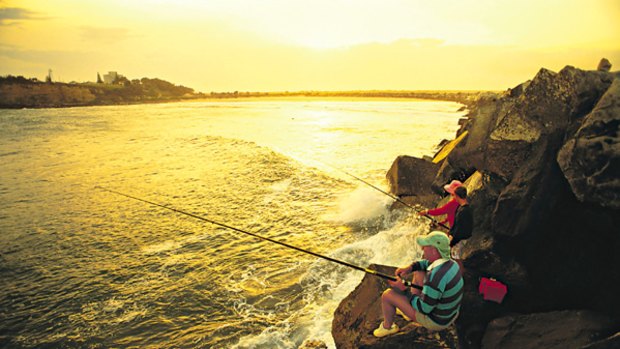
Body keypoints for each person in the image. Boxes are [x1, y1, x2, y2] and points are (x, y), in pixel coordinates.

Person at [373, 231, 463, 337]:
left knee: (387, 295)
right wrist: (410, 268)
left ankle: (388, 327)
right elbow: (425, 263)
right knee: (418, 271)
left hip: (437, 321)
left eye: (425, 246)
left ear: (434, 250)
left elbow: (424, 308)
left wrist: (404, 290)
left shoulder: (435, 278)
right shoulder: (451, 263)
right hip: (451, 313)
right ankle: (409, 308)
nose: (422, 249)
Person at [450, 186, 473, 261]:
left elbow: (460, 230)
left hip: (460, 242)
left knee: (455, 260)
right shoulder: (463, 209)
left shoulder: (463, 211)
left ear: (457, 196)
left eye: (454, 195)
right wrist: (450, 232)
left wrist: (452, 242)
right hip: (460, 240)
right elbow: (456, 225)